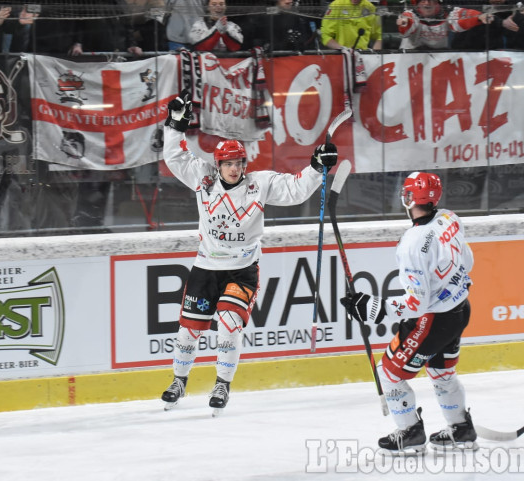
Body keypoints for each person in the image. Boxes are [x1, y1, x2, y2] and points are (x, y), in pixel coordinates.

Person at [160, 90, 338, 414]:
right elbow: (175, 158)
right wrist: (174, 125)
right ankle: (179, 380)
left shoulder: (260, 184)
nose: (233, 168)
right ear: (218, 164)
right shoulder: (203, 179)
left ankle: (221, 385)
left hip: (243, 268)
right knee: (188, 331)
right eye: (228, 163)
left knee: (229, 323)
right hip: (205, 266)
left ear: (244, 163)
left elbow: (296, 190)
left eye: (238, 162)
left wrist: (315, 167)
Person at [341, 172, 476, 454]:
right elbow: (468, 260)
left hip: (433, 320)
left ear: (410, 198)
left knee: (389, 373)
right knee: (441, 370)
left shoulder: (413, 243)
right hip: (460, 309)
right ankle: (461, 429)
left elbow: (416, 304)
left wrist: (372, 308)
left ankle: (410, 433)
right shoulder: (449, 218)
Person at [396, 0, 492, 50]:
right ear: (417, 4)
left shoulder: (447, 13)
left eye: (431, 0)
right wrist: (404, 24)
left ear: (437, 2)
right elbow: (407, 28)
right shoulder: (411, 14)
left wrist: (479, 16)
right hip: (411, 57)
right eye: (422, 0)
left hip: (438, 57)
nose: (427, 3)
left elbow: (461, 16)